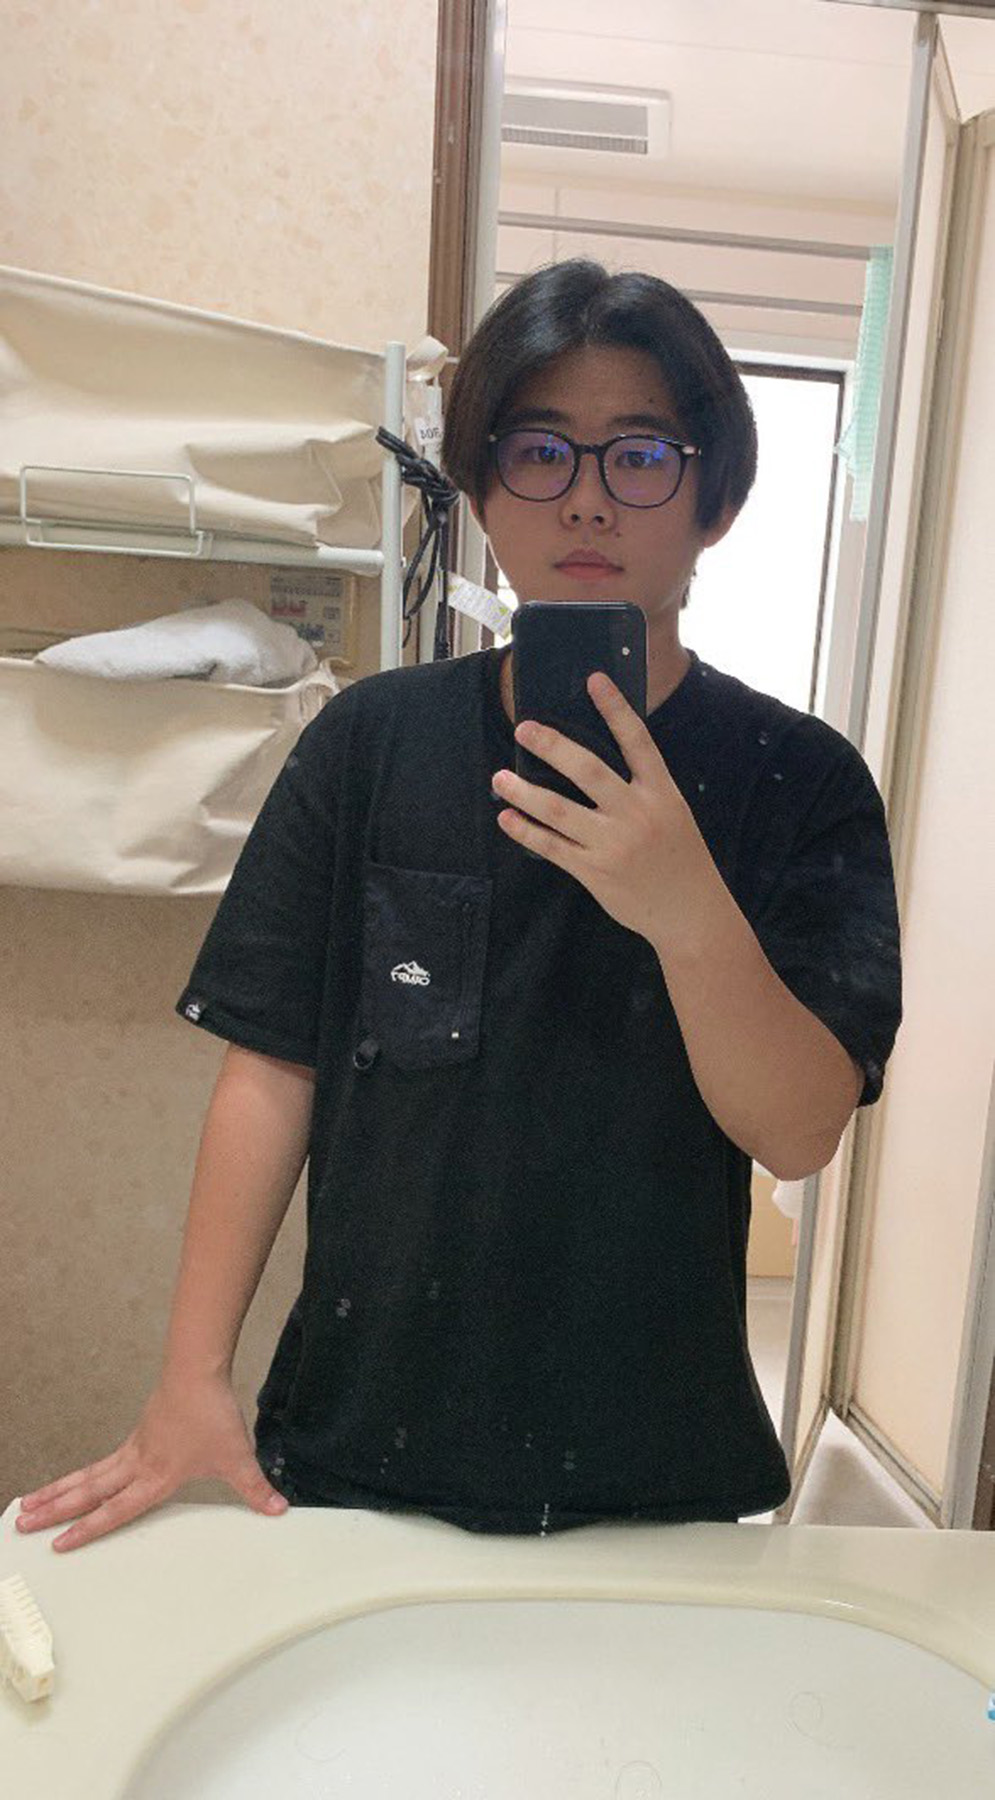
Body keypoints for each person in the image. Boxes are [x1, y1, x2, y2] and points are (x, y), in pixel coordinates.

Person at [16, 259, 902, 1552]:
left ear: (715, 498)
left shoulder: (801, 781)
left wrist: (686, 908)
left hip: (656, 1463)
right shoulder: (367, 745)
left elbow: (802, 1132)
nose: (586, 498)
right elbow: (272, 1069)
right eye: (539, 452)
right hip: (361, 1442)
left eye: (640, 456)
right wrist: (189, 1379)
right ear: (481, 490)